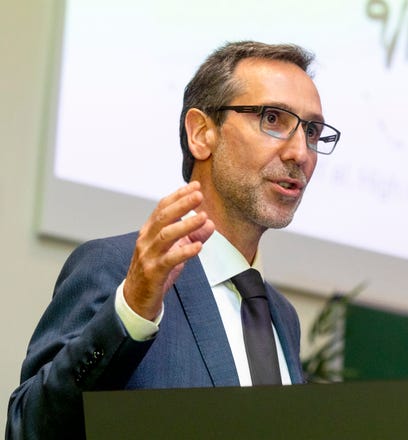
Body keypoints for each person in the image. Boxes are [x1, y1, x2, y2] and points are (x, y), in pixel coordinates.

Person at [6, 41, 342, 439]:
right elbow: (29, 428)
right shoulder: (114, 269)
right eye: (273, 119)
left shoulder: (280, 315)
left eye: (313, 131)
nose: (300, 153)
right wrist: (130, 312)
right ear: (201, 133)